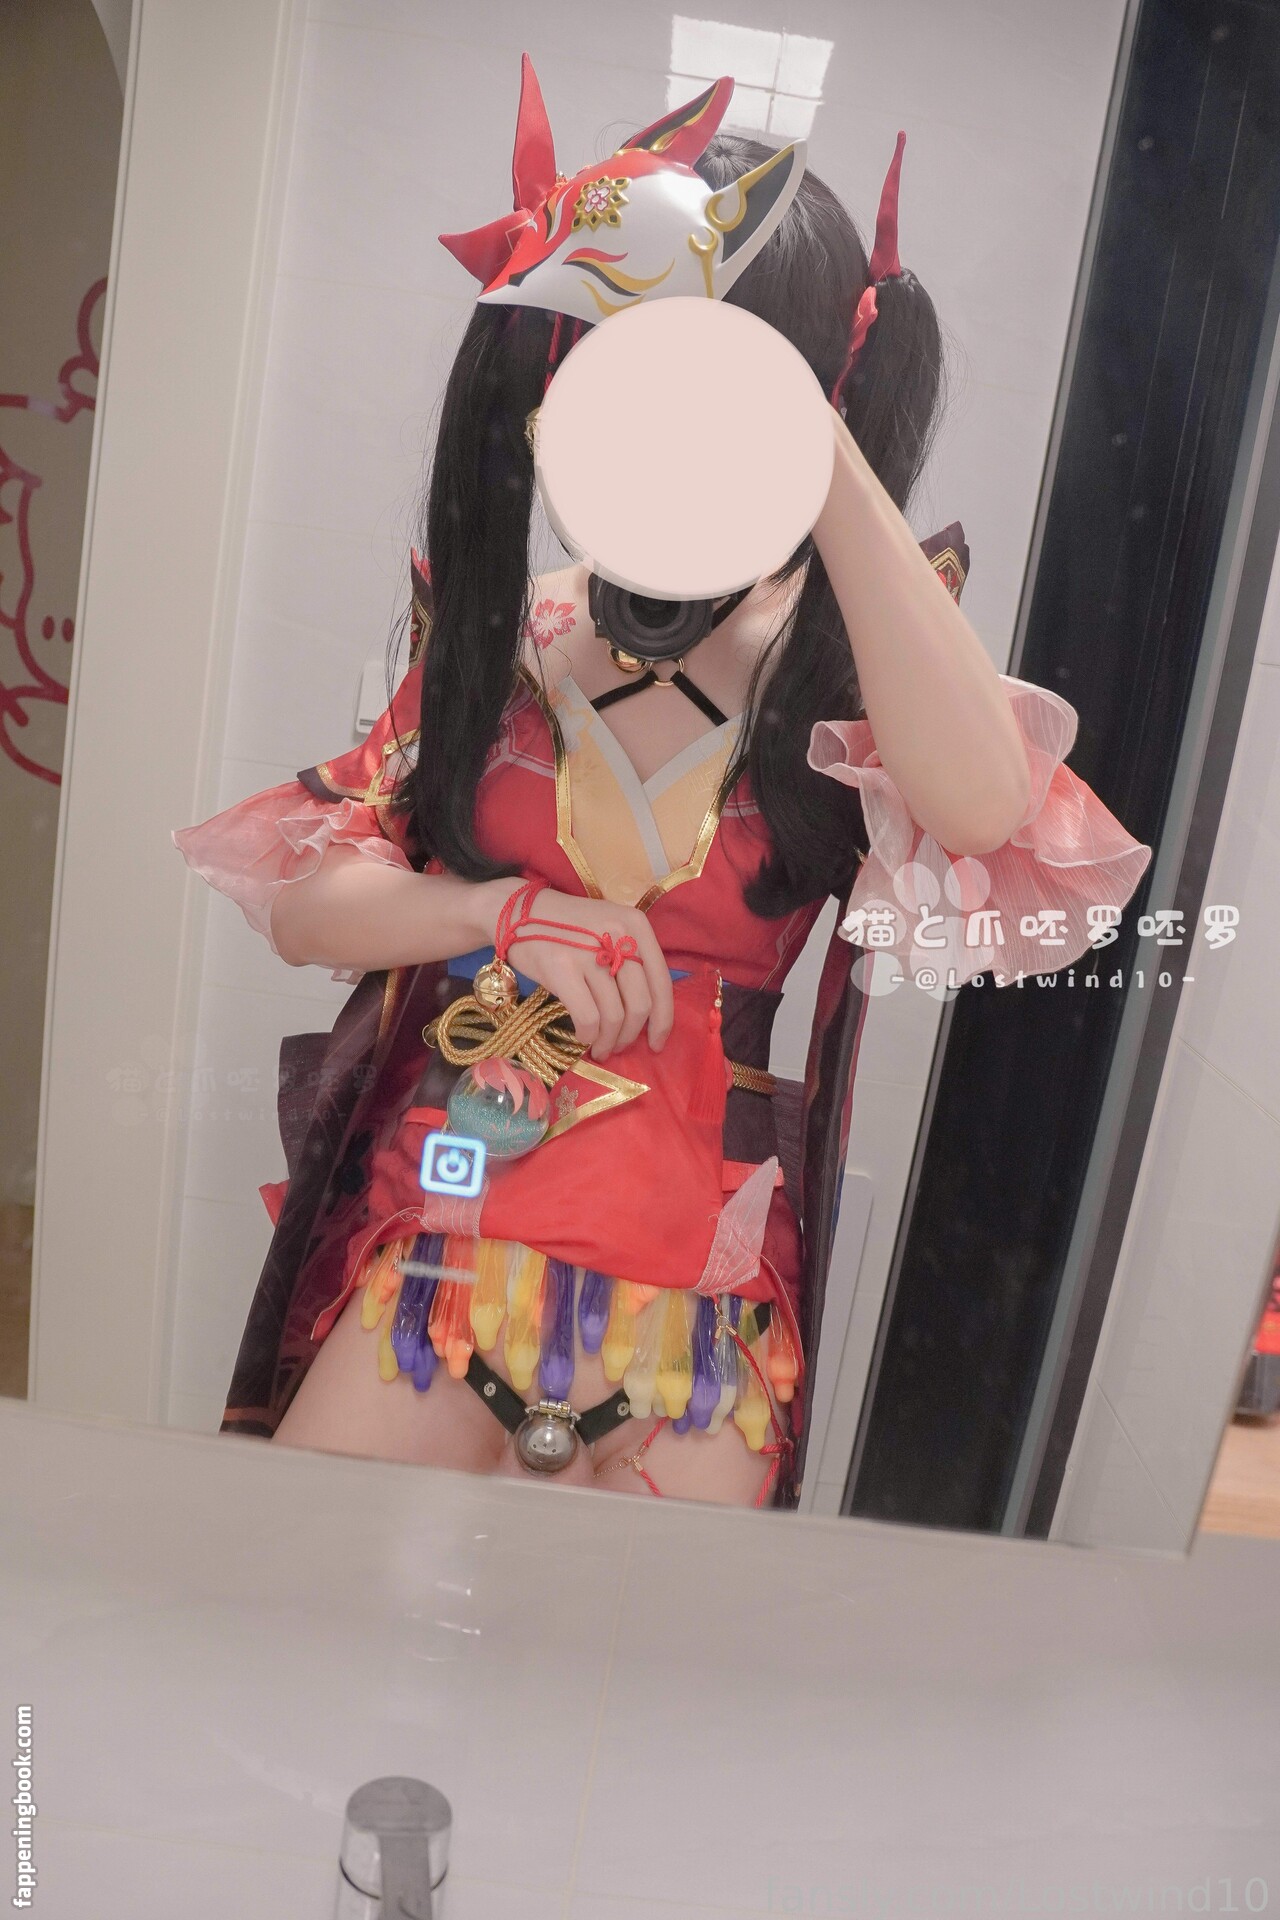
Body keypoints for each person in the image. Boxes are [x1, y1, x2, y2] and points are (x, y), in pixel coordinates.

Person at [174, 62, 1152, 1507]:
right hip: (444, 1241)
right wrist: (498, 915)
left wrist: (814, 445)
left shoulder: (851, 679)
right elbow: (308, 904)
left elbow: (989, 817)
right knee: (303, 1607)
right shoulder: (505, 637)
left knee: (643, 1658)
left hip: (704, 1306)